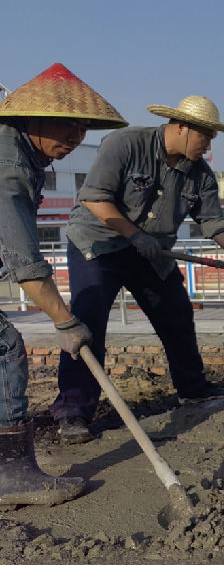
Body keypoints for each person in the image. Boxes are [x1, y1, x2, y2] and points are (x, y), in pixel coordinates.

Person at [53, 95, 224, 444]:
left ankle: (193, 389)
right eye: (205, 137)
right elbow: (94, 198)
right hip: (98, 245)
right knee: (87, 324)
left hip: (151, 252)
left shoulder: (199, 174)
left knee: (176, 312)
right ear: (181, 127)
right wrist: (134, 234)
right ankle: (74, 412)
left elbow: (213, 222)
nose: (208, 146)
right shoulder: (126, 144)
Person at [0, 63, 127, 505]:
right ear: (32, 118)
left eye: (82, 128)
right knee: (4, 347)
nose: (75, 137)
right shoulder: (9, 164)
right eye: (66, 125)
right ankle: (11, 474)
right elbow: (23, 259)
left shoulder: (23, 153)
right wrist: (65, 321)